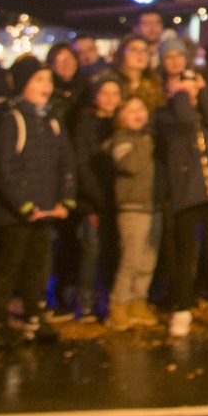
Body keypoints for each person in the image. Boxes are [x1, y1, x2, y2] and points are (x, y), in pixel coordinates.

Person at [0, 57, 76, 344]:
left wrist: (67, 200)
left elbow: (66, 162)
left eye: (48, 80)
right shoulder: (11, 119)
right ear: (23, 83)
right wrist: (23, 205)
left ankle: (32, 316)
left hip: (46, 207)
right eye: (39, 80)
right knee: (10, 264)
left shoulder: (51, 120)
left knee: (38, 265)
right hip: (18, 211)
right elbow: (6, 166)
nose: (46, 86)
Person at [157, 60, 208, 337]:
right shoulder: (165, 117)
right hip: (186, 192)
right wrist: (180, 94)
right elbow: (185, 121)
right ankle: (182, 308)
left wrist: (203, 90)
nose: (187, 91)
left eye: (191, 87)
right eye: (181, 87)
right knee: (186, 254)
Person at [67, 74, 122, 317]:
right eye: (105, 93)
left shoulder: (121, 125)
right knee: (91, 251)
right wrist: (97, 197)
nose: (110, 99)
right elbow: (82, 164)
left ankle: (108, 300)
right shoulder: (85, 124)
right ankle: (86, 302)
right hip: (93, 201)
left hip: (117, 200)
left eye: (115, 94)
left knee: (111, 251)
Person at [105, 95, 160, 330]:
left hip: (152, 205)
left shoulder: (148, 139)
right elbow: (131, 165)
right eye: (131, 110)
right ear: (120, 118)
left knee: (148, 259)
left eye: (141, 108)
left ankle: (138, 300)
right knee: (132, 258)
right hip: (133, 207)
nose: (138, 113)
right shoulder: (122, 140)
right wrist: (146, 142)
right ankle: (118, 303)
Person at [113, 34, 165, 110]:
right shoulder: (113, 83)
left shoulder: (156, 82)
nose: (141, 54)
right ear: (122, 53)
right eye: (134, 50)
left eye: (145, 51)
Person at [46, 42, 88, 126]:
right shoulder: (47, 92)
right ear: (51, 64)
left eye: (71, 57)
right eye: (61, 59)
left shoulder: (86, 88)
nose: (67, 63)